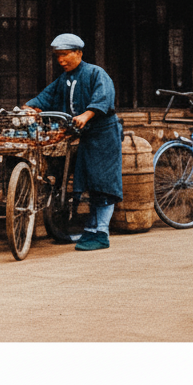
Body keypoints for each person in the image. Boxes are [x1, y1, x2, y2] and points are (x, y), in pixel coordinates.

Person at [24, 33, 123, 251]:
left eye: (65, 55)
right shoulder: (64, 79)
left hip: (104, 135)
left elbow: (103, 98)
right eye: (57, 56)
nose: (60, 60)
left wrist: (86, 115)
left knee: (103, 183)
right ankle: (90, 229)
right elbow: (45, 98)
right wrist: (29, 108)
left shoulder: (96, 73)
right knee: (88, 181)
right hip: (84, 136)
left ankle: (102, 233)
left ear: (79, 53)